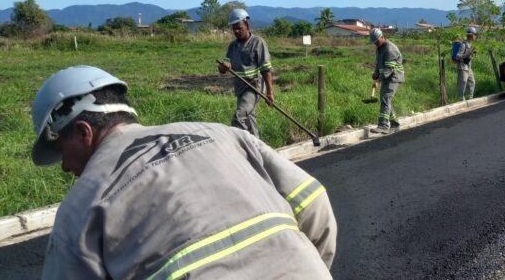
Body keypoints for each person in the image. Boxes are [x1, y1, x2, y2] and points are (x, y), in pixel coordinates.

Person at [31, 65, 336, 279]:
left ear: (84, 132)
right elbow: (313, 201)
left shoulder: (79, 208)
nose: (64, 165)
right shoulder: (223, 134)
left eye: (61, 150)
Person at [217, 8, 274, 137]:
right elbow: (222, 70)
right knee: (249, 119)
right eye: (234, 29)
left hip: (254, 87)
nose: (236, 31)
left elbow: (266, 69)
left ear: (247, 25)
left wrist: (270, 92)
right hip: (240, 88)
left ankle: (241, 146)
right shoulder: (233, 46)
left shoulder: (258, 43)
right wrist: (223, 66)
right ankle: (256, 146)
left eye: (239, 28)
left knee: (239, 117)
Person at [370, 28, 405, 134]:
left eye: (377, 41)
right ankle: (394, 124)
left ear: (382, 37)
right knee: (386, 100)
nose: (375, 43)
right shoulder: (379, 48)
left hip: (394, 77)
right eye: (374, 42)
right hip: (386, 77)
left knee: (385, 98)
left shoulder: (390, 49)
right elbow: (378, 63)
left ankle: (383, 125)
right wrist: (376, 73)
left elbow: (389, 69)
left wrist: (378, 80)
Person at [456, 26, 477, 101]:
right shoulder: (463, 44)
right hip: (462, 67)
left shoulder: (470, 44)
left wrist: (472, 53)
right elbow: (458, 56)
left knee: (472, 82)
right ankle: (461, 100)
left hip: (468, 67)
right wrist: (468, 54)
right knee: (463, 83)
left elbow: (468, 55)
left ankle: (470, 98)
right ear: (471, 35)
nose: (475, 36)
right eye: (475, 34)